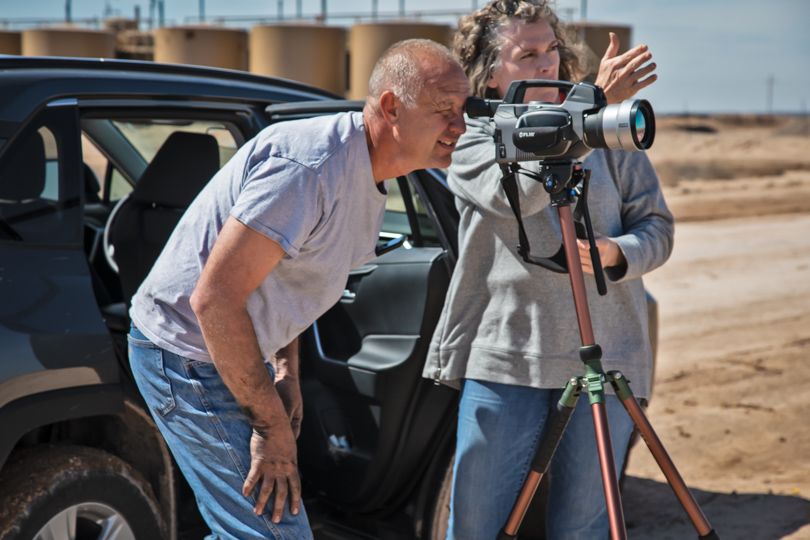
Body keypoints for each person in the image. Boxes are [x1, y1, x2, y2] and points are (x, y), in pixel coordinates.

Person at [127, 38, 468, 540]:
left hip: (228, 349)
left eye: (463, 110)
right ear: (391, 106)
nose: (459, 127)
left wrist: (286, 367)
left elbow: (288, 278)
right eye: (444, 111)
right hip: (187, 356)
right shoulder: (311, 168)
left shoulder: (370, 175)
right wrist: (271, 429)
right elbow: (214, 300)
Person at [423, 1, 674, 539]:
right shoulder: (472, 137)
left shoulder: (608, 134)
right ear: (490, 75)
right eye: (528, 53)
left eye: (552, 49)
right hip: (508, 362)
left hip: (605, 361)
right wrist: (594, 106)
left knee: (583, 527)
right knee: (475, 526)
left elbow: (658, 227)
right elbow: (525, 193)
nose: (546, 63)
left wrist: (617, 252)